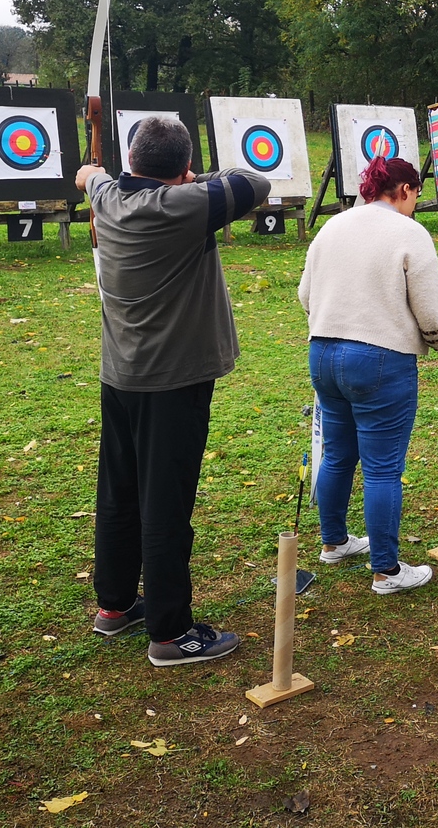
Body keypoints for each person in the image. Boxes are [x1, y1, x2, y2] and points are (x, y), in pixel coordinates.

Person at [77, 116, 270, 666]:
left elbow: (90, 176)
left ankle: (114, 606)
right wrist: (190, 180)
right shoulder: (183, 205)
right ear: (183, 170)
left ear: (131, 161)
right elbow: (253, 181)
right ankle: (169, 632)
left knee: (119, 492)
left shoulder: (108, 195)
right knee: (165, 503)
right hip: (173, 383)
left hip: (119, 377)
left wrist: (97, 175)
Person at [299, 154, 438, 595]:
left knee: (338, 455)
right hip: (379, 361)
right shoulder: (409, 232)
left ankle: (334, 542)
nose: (415, 203)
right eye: (415, 195)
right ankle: (387, 571)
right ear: (405, 191)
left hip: (322, 354)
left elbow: (306, 294)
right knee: (382, 469)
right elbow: (430, 309)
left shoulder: (333, 226)